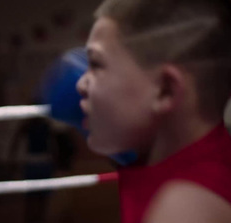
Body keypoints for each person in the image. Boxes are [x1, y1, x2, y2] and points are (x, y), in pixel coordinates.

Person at [76, 0, 231, 222]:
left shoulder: (185, 207)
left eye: (96, 63)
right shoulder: (176, 165)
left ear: (165, 90)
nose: (81, 84)